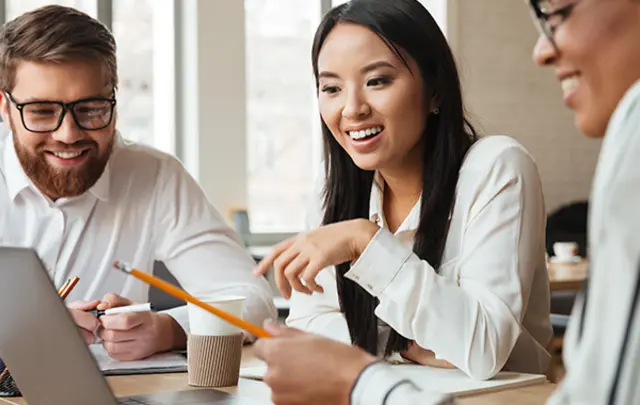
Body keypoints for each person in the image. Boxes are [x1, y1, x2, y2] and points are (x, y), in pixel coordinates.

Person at [254, 0, 640, 404]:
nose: (352, 109)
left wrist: (365, 242)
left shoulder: (496, 167)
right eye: (330, 88)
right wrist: (406, 344)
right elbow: (308, 331)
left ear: (434, 88)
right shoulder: (330, 188)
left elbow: (483, 349)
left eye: (378, 81)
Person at [0, 5, 276, 362]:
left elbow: (251, 299)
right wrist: (25, 329)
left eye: (91, 109)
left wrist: (168, 330)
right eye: (41, 111)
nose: (67, 134)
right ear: (5, 107)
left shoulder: (155, 176)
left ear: (115, 99)